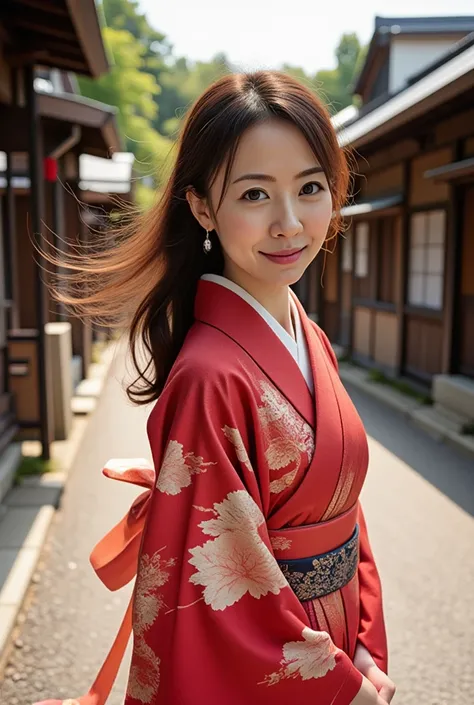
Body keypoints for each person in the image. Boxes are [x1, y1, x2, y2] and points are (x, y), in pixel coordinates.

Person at [34, 71, 395, 705]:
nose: (289, 222)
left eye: (311, 187)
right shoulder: (208, 377)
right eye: (255, 194)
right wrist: (345, 687)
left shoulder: (307, 335)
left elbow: (343, 511)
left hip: (342, 641)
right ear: (202, 207)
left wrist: (364, 639)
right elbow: (221, 597)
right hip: (281, 668)